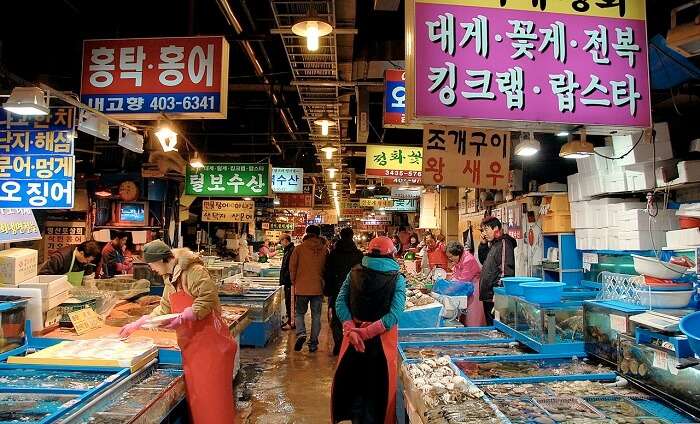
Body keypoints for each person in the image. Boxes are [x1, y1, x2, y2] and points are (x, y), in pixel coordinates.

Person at [119, 240, 237, 423]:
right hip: (192, 346)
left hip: (211, 345)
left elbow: (208, 296)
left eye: (151, 265)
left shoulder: (194, 271)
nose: (152, 269)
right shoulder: (170, 277)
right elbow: (165, 308)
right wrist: (141, 322)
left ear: (161, 260)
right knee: (200, 399)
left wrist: (189, 314)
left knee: (214, 399)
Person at [331, 236, 406, 424]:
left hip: (354, 338)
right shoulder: (397, 278)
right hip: (381, 340)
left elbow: (339, 302)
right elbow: (394, 314)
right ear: (391, 254)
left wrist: (351, 328)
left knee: (354, 381)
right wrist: (367, 332)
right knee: (378, 387)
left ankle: (356, 418)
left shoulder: (354, 272)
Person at [324, 227, 363, 356]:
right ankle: (352, 344)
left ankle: (339, 344)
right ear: (352, 236)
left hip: (336, 290)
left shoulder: (333, 254)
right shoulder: (358, 254)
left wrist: (328, 290)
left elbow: (327, 273)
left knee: (336, 318)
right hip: (355, 290)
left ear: (340, 236)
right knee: (354, 317)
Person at [289, 225, 327, 352]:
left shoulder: (299, 248)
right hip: (318, 287)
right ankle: (313, 344)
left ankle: (301, 333)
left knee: (299, 313)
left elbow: (292, 267)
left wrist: (294, 281)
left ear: (307, 233)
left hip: (302, 286)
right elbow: (327, 269)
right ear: (318, 234)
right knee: (316, 316)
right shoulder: (324, 249)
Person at [480, 217, 517, 326]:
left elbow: (506, 270)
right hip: (488, 295)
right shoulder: (494, 244)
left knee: (498, 326)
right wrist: (483, 244)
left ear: (495, 228)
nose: (484, 233)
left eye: (486, 229)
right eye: (483, 230)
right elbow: (484, 262)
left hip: (495, 295)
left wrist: (499, 292)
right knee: (491, 325)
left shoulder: (504, 243)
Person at [445, 241, 485, 327]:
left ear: (457, 254)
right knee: (464, 314)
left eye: (451, 256)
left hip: (473, 288)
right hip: (465, 287)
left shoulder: (468, 259)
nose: (450, 259)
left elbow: (463, 279)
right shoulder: (458, 259)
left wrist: (449, 288)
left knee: (472, 316)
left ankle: (474, 334)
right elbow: (455, 275)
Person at [279, 234, 295, 330]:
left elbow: (290, 267)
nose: (281, 243)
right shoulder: (288, 250)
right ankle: (290, 320)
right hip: (288, 281)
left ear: (285, 240)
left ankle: (291, 323)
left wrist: (288, 279)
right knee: (289, 302)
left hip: (290, 282)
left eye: (281, 241)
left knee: (290, 303)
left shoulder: (291, 250)